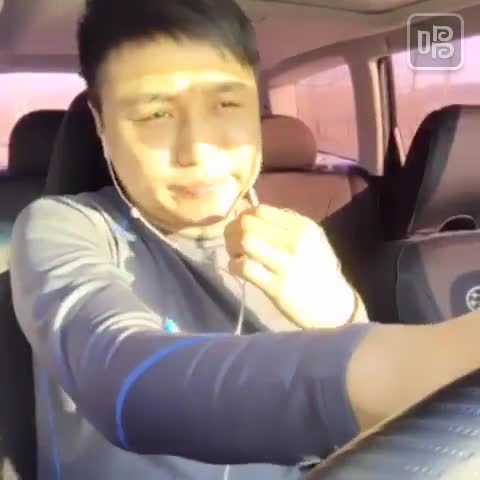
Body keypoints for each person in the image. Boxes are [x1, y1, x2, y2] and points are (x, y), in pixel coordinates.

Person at [9, 0, 480, 479]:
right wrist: (433, 366)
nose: (199, 150)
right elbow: (123, 380)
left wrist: (343, 315)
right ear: (102, 125)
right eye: (155, 114)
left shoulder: (296, 241)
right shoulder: (62, 227)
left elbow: (360, 445)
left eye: (227, 104)